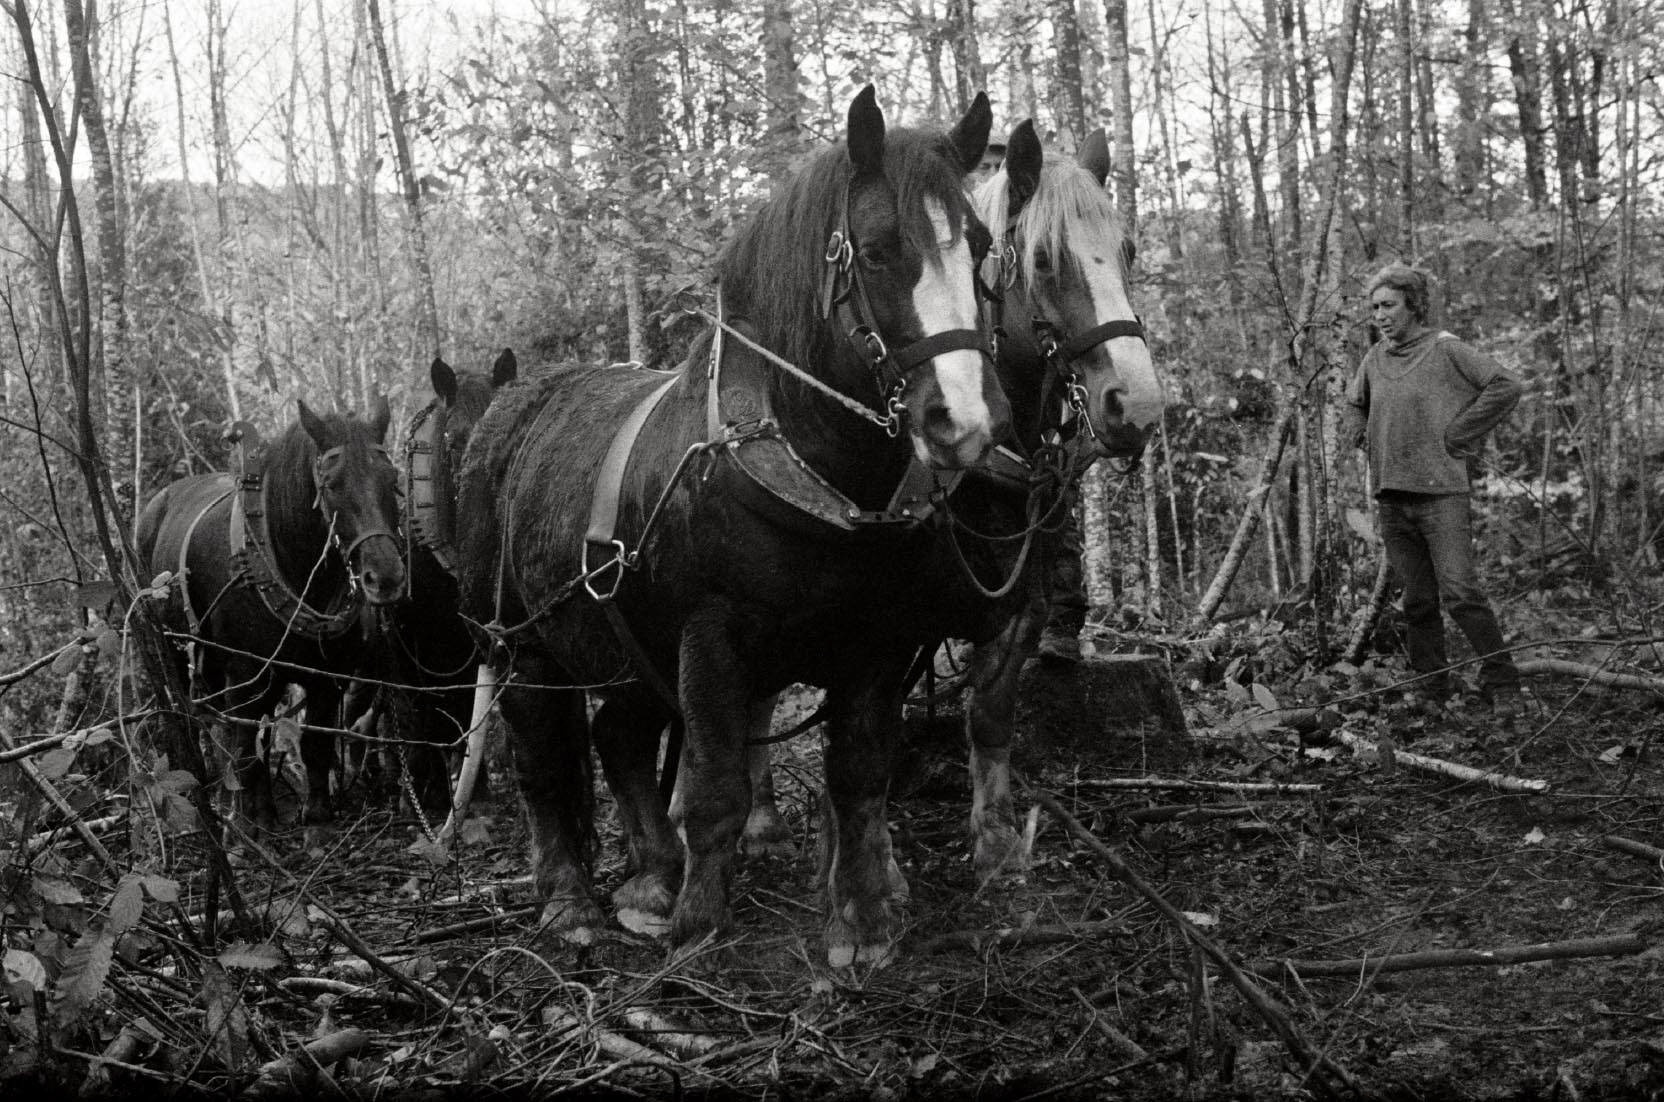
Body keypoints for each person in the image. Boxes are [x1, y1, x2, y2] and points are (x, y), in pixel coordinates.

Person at [1345, 263, 1523, 708]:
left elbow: (1505, 385)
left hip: (1441, 494)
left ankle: (1504, 685)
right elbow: (1355, 403)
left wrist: (1459, 433)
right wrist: (1361, 437)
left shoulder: (1445, 349)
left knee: (1461, 592)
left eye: (1388, 305)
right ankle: (1432, 690)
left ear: (1413, 305)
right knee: (1418, 601)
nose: (1380, 316)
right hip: (1392, 496)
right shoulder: (1374, 358)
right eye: (1374, 308)